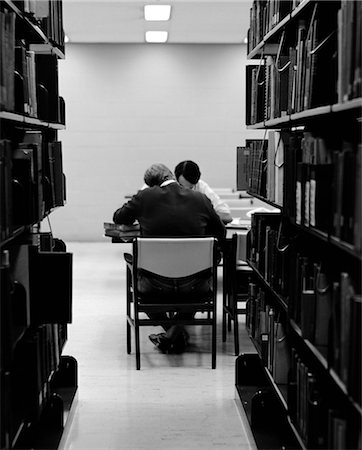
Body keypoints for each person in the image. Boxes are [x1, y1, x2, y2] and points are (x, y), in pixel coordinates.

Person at [113, 163, 226, 353]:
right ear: (171, 175)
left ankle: (171, 333)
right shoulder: (200, 198)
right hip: (195, 284)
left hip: (154, 284)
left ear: (152, 185)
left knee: (141, 290)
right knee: (200, 286)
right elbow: (221, 232)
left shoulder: (145, 197)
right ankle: (176, 332)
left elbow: (119, 218)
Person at [174, 160, 233, 224]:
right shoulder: (169, 189)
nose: (186, 192)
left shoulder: (202, 188)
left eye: (190, 188)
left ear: (196, 183)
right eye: (181, 186)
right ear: (176, 180)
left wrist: (200, 216)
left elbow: (227, 216)